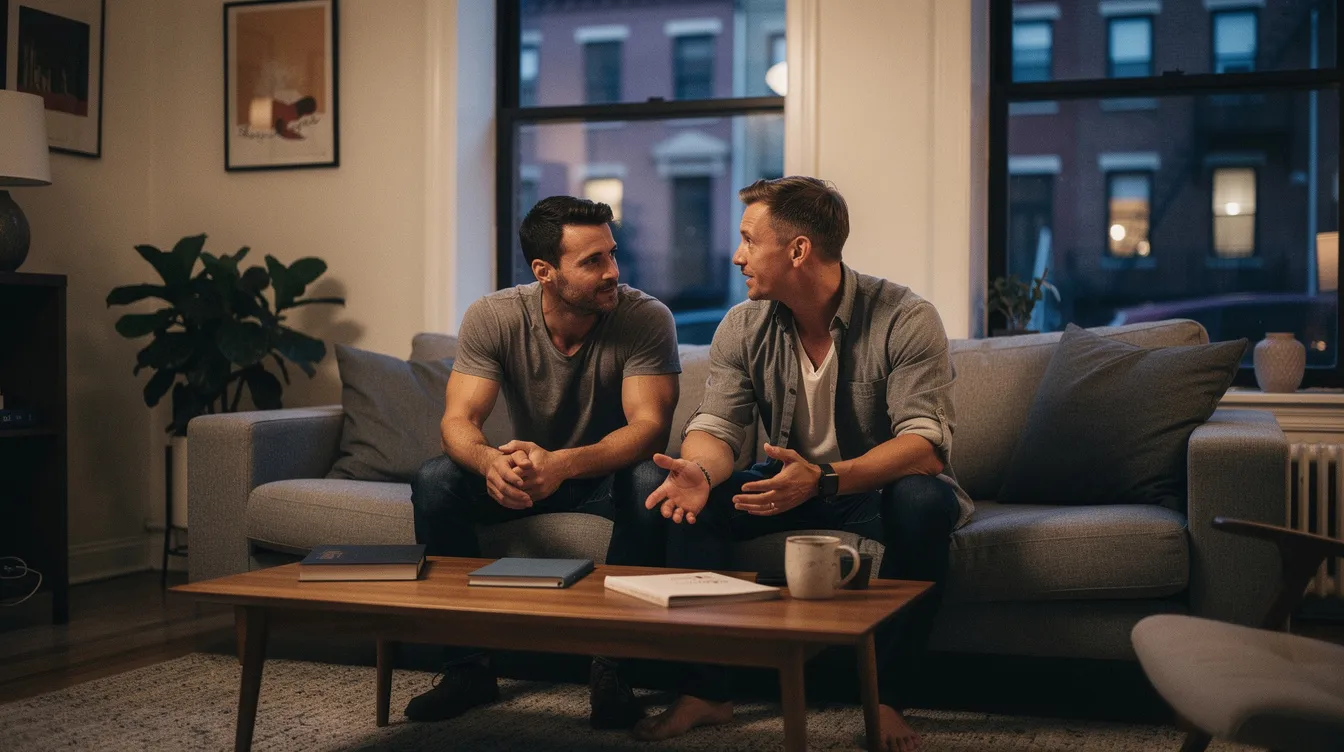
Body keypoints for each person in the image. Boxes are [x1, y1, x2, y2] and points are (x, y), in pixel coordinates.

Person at [638, 177, 974, 752]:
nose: (737, 255)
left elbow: (924, 445)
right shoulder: (743, 325)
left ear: (797, 251)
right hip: (783, 480)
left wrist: (823, 478)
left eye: (748, 240)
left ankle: (887, 696)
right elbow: (718, 426)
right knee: (688, 503)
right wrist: (700, 470)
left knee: (923, 500)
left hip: (874, 485)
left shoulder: (904, 317)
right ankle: (706, 691)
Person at [405, 195, 681, 729]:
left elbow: (648, 430)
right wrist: (490, 463)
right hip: (532, 472)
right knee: (434, 478)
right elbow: (457, 421)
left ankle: (612, 669)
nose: (613, 272)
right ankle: (467, 668)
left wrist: (562, 464)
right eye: (593, 261)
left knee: (650, 478)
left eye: (612, 254)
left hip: (604, 476)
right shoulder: (495, 316)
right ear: (545, 272)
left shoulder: (645, 317)